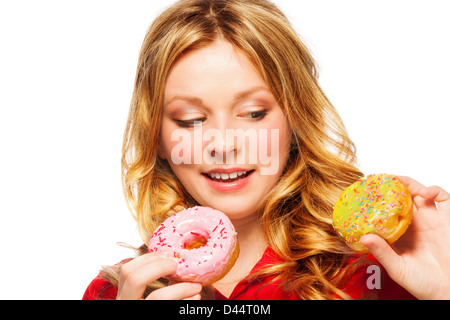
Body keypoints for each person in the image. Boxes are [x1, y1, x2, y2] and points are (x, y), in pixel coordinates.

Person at [83, 0, 450, 300]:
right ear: (158, 139)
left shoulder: (376, 272)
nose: (224, 145)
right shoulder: (115, 292)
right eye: (191, 119)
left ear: (295, 119)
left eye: (254, 113)